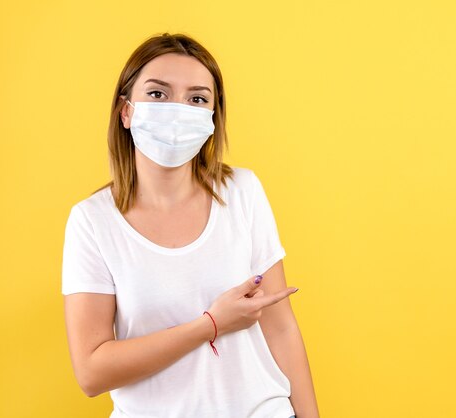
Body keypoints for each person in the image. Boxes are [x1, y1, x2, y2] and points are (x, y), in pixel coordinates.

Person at [62, 33, 320, 418]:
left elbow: (280, 328)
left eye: (197, 98)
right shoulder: (93, 221)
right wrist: (211, 324)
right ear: (126, 111)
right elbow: (92, 372)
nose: (177, 109)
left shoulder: (242, 192)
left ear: (211, 119)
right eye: (158, 94)